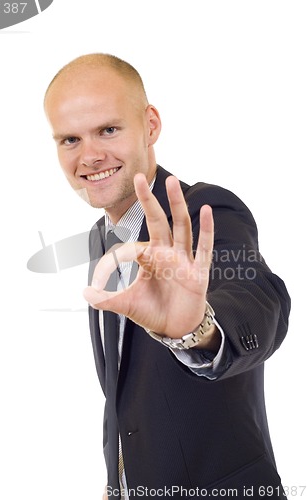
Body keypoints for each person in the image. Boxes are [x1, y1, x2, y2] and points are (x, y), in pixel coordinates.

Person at [44, 53, 291, 499]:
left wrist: (196, 331)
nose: (90, 156)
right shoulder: (101, 239)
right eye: (69, 140)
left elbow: (258, 302)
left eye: (108, 130)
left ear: (150, 125)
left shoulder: (204, 212)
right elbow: (124, 394)